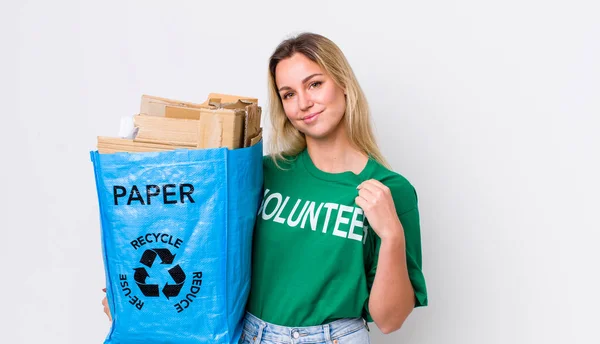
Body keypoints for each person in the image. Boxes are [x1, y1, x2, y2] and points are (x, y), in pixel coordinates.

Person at [103, 32, 428, 343]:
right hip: (250, 333)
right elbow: (199, 245)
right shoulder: (263, 173)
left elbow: (390, 319)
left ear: (343, 84)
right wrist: (138, 305)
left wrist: (392, 235)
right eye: (288, 94)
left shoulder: (389, 190)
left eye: (314, 84)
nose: (303, 103)